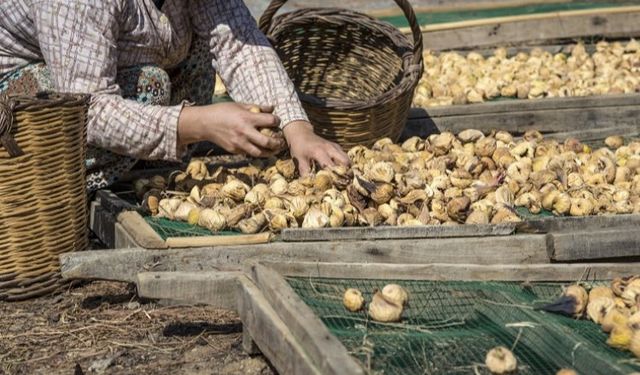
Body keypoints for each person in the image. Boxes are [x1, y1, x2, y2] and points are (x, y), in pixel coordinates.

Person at [0, 0, 349, 191]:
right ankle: (76, 189)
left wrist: (297, 129)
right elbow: (87, 108)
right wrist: (198, 122)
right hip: (22, 101)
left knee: (198, 51)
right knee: (151, 87)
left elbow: (238, 44)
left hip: (110, 65)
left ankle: (142, 167)